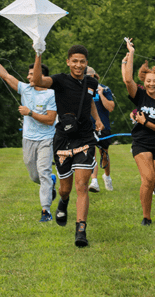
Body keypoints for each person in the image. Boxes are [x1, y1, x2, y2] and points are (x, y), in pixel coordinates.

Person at [31, 45, 104, 247]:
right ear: (68, 62)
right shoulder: (60, 80)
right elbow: (37, 81)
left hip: (85, 138)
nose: (78, 65)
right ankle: (63, 201)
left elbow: (89, 102)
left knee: (82, 186)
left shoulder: (91, 82)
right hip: (63, 138)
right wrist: (38, 54)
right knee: (66, 189)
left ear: (86, 63)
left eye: (82, 61)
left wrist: (97, 119)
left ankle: (81, 229)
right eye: (75, 61)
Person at [0, 47, 58, 222]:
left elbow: (50, 120)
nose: (29, 77)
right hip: (28, 139)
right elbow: (6, 75)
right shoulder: (25, 89)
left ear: (41, 76)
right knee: (34, 176)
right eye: (29, 74)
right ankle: (50, 183)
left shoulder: (51, 94)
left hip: (47, 138)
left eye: (32, 74)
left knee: (44, 172)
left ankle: (45, 211)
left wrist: (30, 112)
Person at [121, 39, 155, 226]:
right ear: (144, 82)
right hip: (141, 143)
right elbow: (128, 79)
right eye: (148, 81)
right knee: (148, 179)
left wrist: (147, 122)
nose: (152, 84)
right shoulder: (140, 95)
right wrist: (131, 53)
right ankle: (147, 217)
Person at [85, 66, 115, 193]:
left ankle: (107, 177)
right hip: (88, 126)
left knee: (104, 154)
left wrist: (101, 94)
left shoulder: (105, 89)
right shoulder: (81, 89)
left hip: (103, 126)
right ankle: (94, 181)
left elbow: (110, 108)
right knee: (91, 153)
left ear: (92, 76)